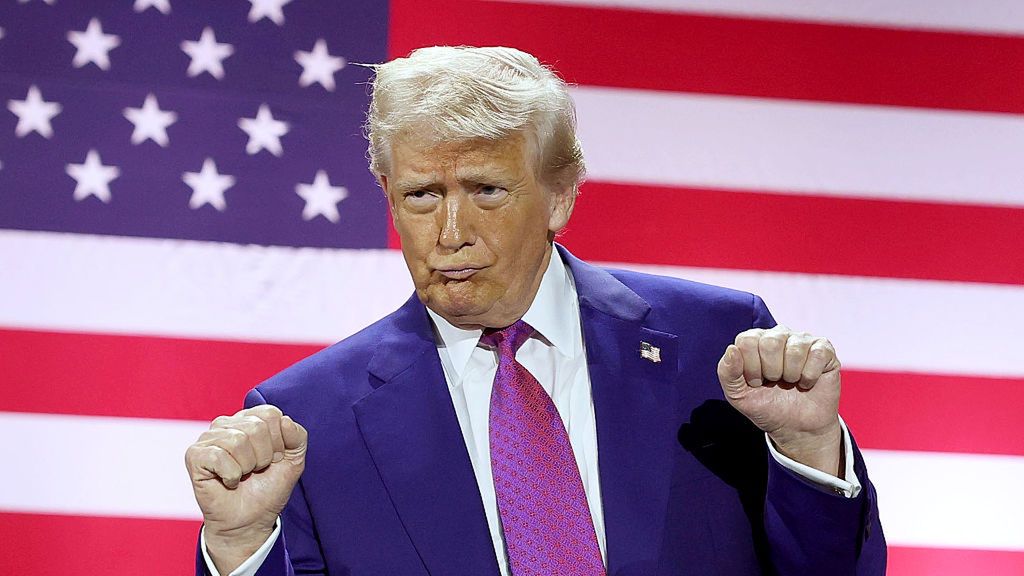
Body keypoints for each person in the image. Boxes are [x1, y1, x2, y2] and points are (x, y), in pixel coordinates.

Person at [185, 46, 886, 576]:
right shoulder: (307, 420)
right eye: (422, 195)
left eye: (486, 190)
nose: (450, 230)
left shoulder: (714, 346)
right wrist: (242, 546)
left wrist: (806, 453)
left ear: (560, 195)